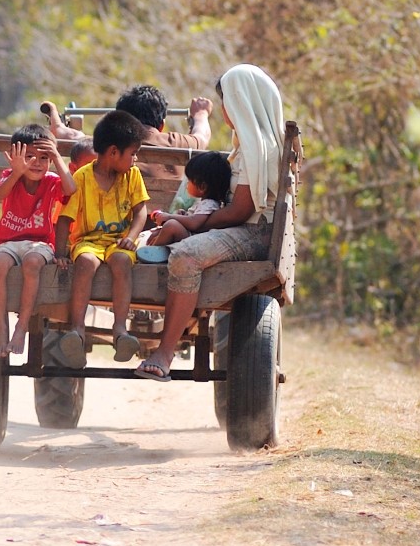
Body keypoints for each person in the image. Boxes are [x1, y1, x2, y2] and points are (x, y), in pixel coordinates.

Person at [136, 65, 285, 381]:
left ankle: (164, 353)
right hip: (239, 226)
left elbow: (239, 212)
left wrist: (192, 223)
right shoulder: (246, 146)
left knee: (186, 256)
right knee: (176, 239)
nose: (225, 110)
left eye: (228, 101)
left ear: (242, 101)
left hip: (254, 230)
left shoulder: (260, 150)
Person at [57, 110, 149, 364]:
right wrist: (60, 253)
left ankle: (120, 331)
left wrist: (131, 236)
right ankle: (77, 330)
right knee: (85, 262)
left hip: (120, 240)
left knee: (121, 261)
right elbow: (65, 219)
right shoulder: (82, 177)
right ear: (113, 152)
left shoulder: (133, 175)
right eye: (133, 153)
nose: (135, 159)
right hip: (87, 241)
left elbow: (141, 211)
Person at [0, 125, 70, 359]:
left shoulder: (52, 181)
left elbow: (71, 188)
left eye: (44, 158)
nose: (36, 163)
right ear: (15, 157)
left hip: (40, 243)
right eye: (29, 156)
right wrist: (15, 172)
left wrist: (57, 157)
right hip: (8, 242)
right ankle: (1, 329)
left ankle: (21, 328)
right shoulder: (9, 177)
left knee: (33, 263)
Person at [40, 85, 212, 150]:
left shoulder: (108, 146)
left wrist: (55, 117)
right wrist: (201, 114)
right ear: (161, 125)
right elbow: (201, 137)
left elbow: (66, 134)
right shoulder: (177, 144)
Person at [145, 151, 234, 248]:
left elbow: (194, 223)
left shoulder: (209, 203)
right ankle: (151, 249)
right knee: (159, 231)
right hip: (189, 236)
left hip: (193, 240)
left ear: (202, 187)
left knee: (171, 225)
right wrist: (184, 215)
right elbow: (194, 218)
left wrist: (169, 217)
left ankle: (152, 252)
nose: (187, 184)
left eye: (189, 181)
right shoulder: (204, 202)